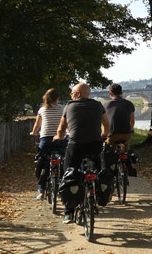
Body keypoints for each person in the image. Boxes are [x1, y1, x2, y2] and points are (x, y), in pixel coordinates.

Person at [54, 82, 110, 223]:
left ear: (78, 94)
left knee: (69, 173)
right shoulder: (98, 105)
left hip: (76, 145)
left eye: (72, 93)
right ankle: (94, 195)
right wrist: (103, 135)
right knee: (96, 169)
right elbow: (107, 125)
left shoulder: (69, 106)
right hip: (95, 144)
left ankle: (69, 212)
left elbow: (61, 128)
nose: (71, 96)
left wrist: (58, 137)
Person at [29, 88, 68, 200]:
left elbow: (37, 125)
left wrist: (34, 132)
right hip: (60, 138)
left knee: (42, 163)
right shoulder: (63, 109)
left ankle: (41, 191)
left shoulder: (42, 110)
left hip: (46, 139)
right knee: (65, 161)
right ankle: (63, 187)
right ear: (58, 98)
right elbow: (67, 124)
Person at [103, 83, 135, 152]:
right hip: (126, 134)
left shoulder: (105, 105)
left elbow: (103, 121)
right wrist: (131, 129)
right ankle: (126, 157)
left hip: (112, 135)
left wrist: (103, 133)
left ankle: (112, 158)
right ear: (121, 93)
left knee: (108, 147)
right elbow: (132, 120)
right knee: (126, 144)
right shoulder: (129, 103)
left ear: (110, 94)